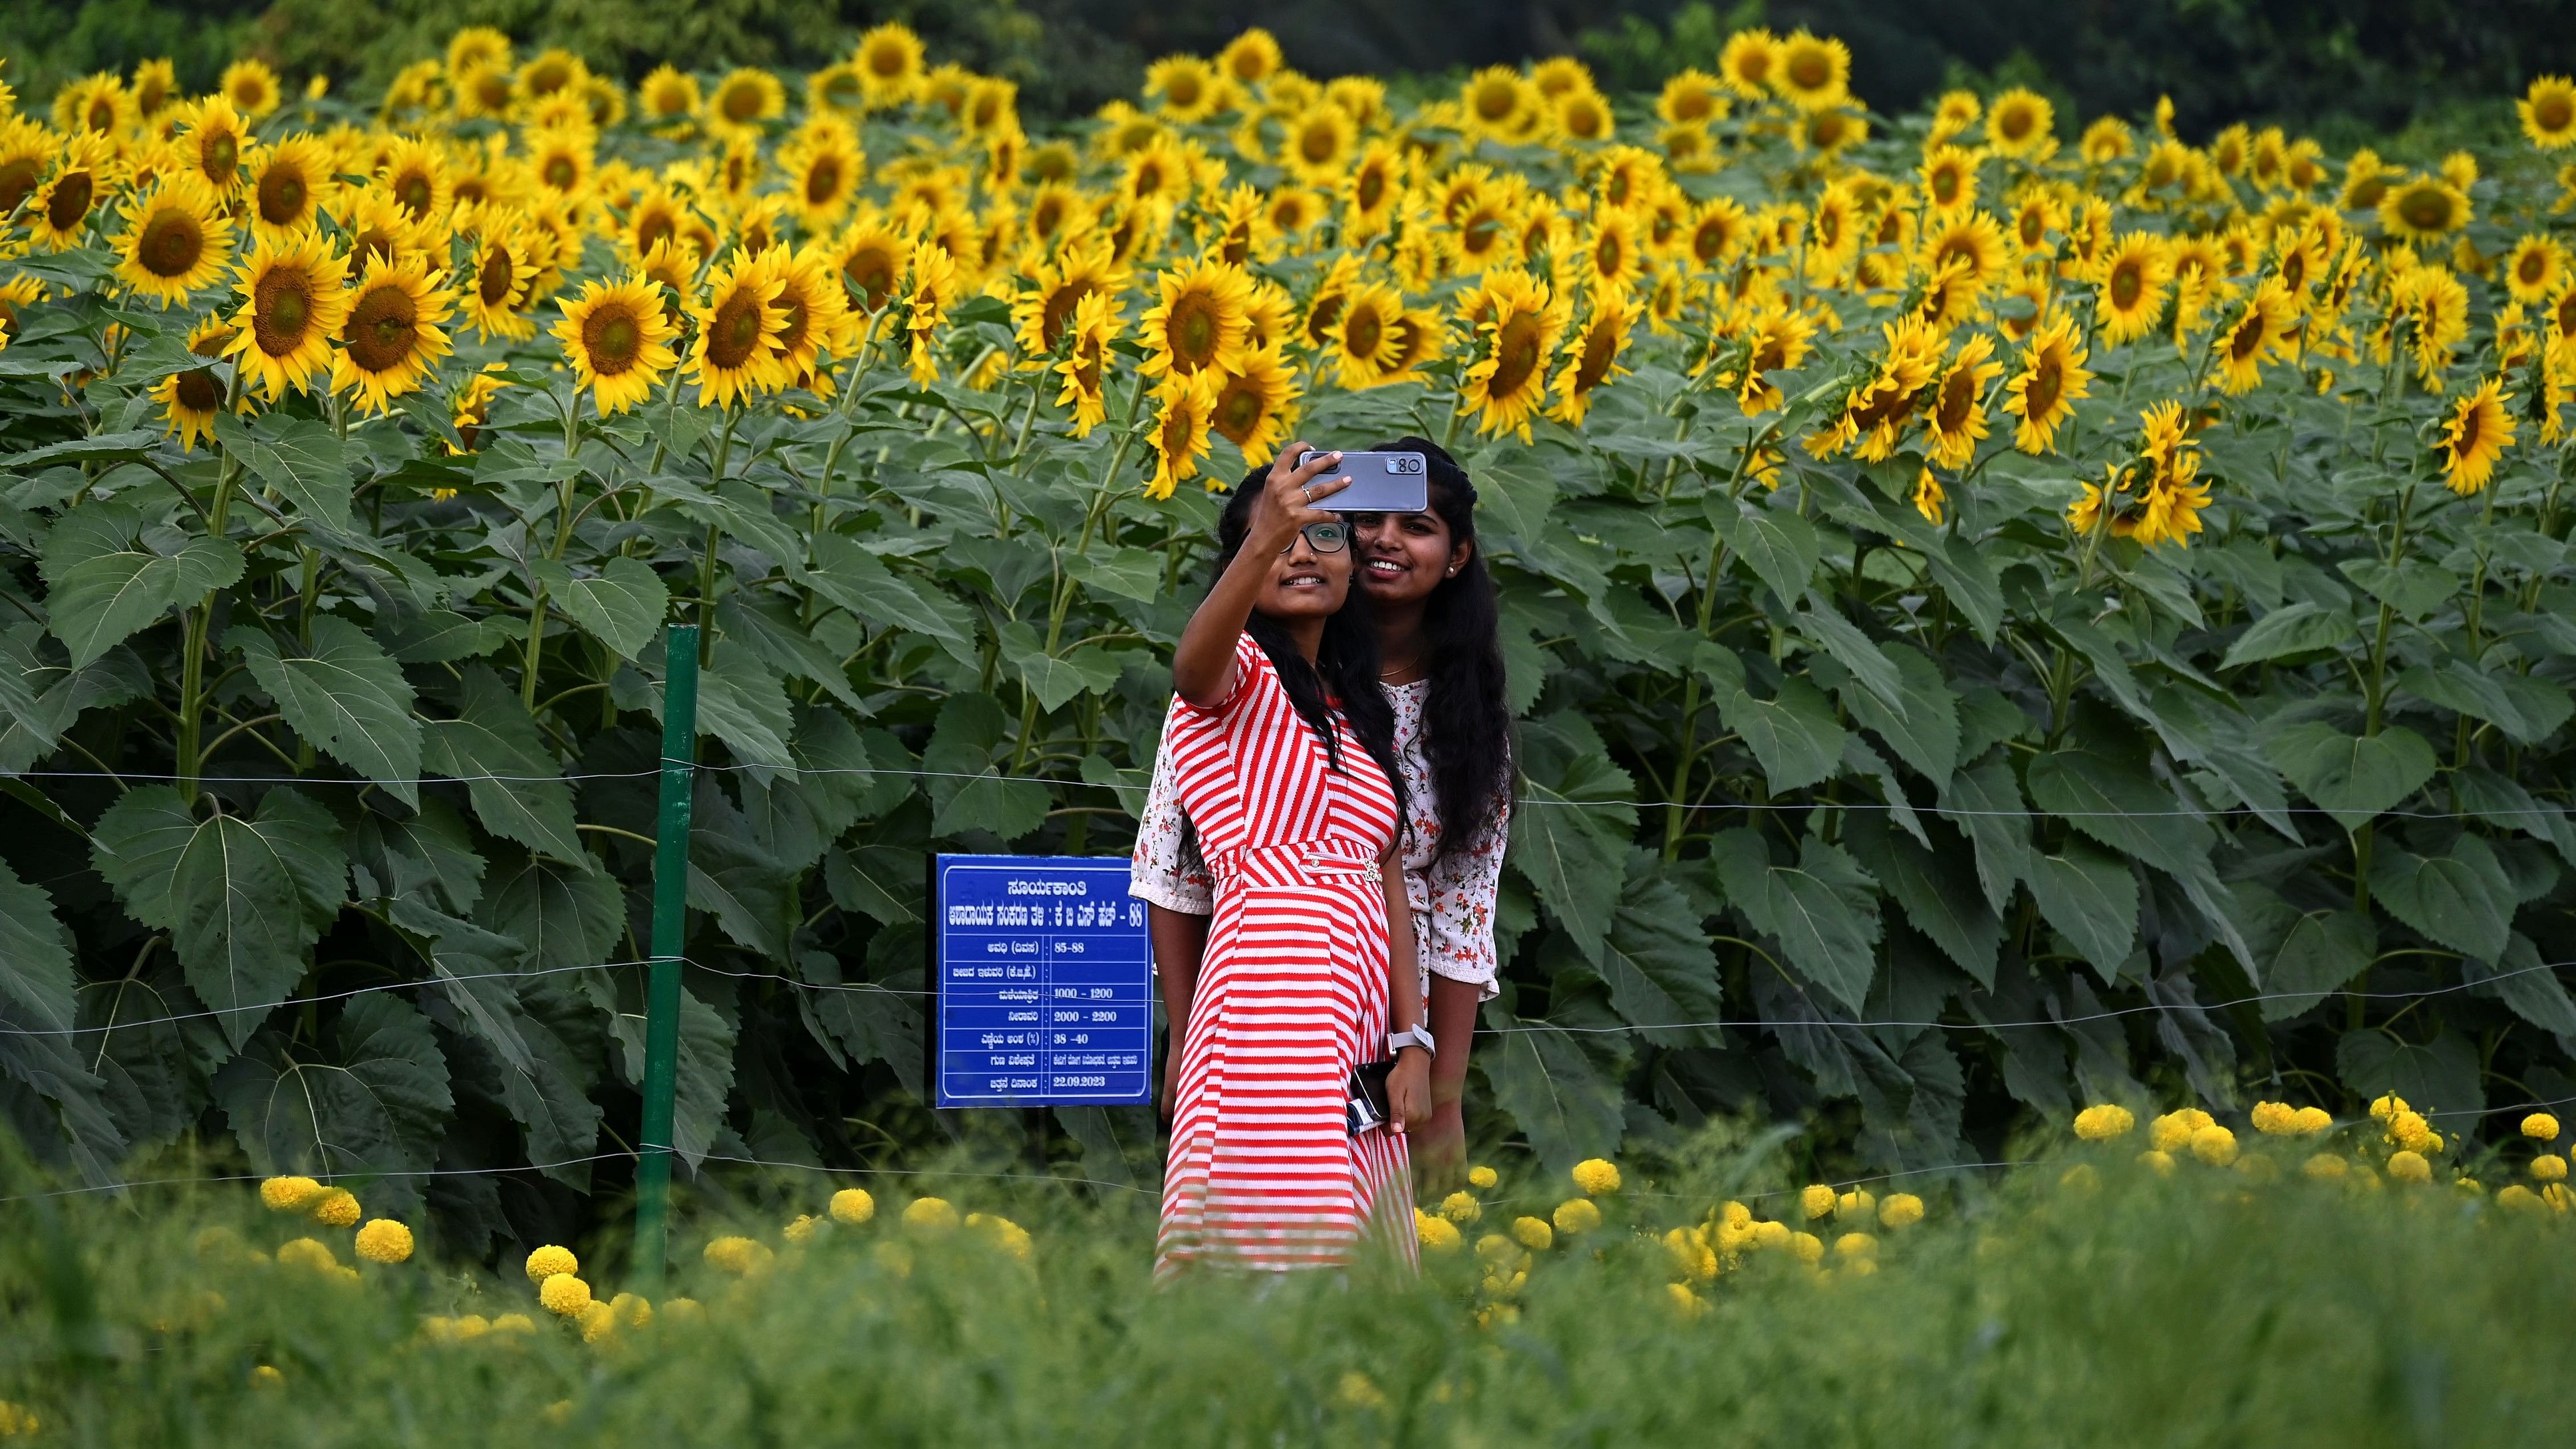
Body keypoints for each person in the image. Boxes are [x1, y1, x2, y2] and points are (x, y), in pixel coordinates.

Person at [1135, 438, 1512, 1189]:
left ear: (1459, 554)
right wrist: (1183, 1032)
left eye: (1416, 526)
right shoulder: (1245, 675)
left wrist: (1438, 1079)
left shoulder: (1446, 716)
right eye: (1361, 519)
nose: (1382, 539)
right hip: (1268, 990)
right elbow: (1170, 869)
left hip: (1386, 1012)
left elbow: (1462, 914)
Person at [1146, 444, 1431, 1278]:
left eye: (1325, 537)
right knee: (1271, 1241)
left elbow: (1389, 885)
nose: (1303, 551)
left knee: (1357, 1249)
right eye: (1280, 540)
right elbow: (1192, 664)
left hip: (1356, 1018)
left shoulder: (1354, 710)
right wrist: (1264, 534)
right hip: (1268, 998)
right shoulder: (1236, 677)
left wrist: (1411, 1038)